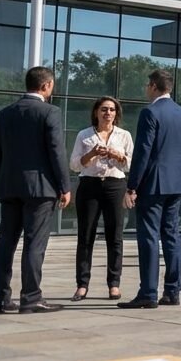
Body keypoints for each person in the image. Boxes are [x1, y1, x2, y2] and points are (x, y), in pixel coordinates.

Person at [0, 66, 71, 314]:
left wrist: (4, 179)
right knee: (35, 243)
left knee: (6, 242)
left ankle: (1, 300)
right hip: (40, 188)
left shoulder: (4, 114)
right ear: (46, 85)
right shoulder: (50, 112)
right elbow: (56, 151)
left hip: (9, 186)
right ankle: (31, 297)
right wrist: (65, 186)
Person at [119, 69, 181, 309]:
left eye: (146, 85)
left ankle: (148, 293)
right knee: (172, 236)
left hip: (153, 183)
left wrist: (132, 186)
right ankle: (173, 291)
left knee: (149, 237)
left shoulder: (149, 112)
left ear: (153, 86)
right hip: (176, 182)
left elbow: (142, 152)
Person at [70, 96, 133, 301]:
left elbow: (132, 164)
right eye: (104, 109)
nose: (108, 113)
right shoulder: (84, 134)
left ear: (117, 114)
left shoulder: (124, 135)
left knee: (114, 236)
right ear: (96, 112)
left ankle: (114, 284)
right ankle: (82, 284)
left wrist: (118, 156)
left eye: (112, 110)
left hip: (115, 185)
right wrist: (91, 154)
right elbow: (74, 165)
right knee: (85, 236)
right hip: (90, 185)